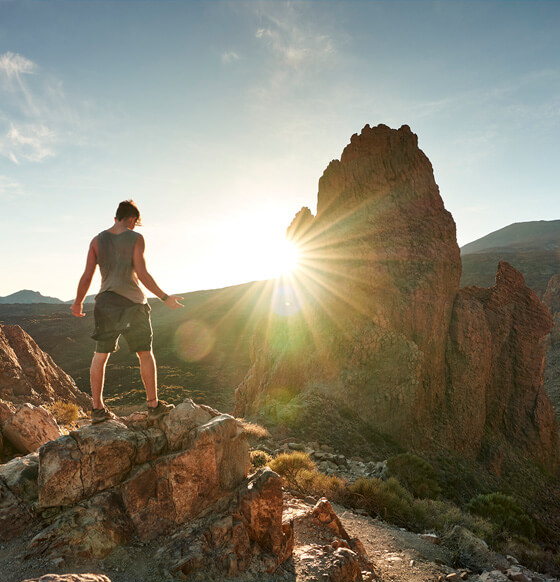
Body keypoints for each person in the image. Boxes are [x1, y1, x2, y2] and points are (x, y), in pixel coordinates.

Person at [71, 200, 184, 424]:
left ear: (115, 218)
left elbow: (87, 276)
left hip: (105, 303)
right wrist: (164, 297)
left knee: (100, 355)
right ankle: (153, 405)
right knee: (144, 353)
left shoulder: (97, 240)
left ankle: (97, 410)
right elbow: (142, 273)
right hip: (133, 304)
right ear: (132, 219)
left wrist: (78, 303)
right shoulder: (136, 238)